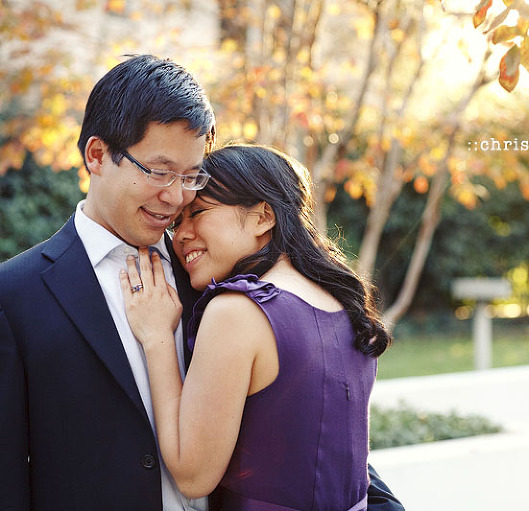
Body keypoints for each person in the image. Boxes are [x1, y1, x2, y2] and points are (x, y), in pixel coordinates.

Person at [0, 55, 402, 510]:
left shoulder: (217, 274)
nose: (175, 196)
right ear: (97, 156)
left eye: (190, 176)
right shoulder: (15, 297)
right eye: (159, 171)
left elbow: (307, 430)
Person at [119, 143, 393, 511]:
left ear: (263, 217)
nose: (180, 235)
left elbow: (193, 475)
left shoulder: (236, 312)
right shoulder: (344, 306)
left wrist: (156, 337)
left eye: (197, 212)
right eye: (176, 222)